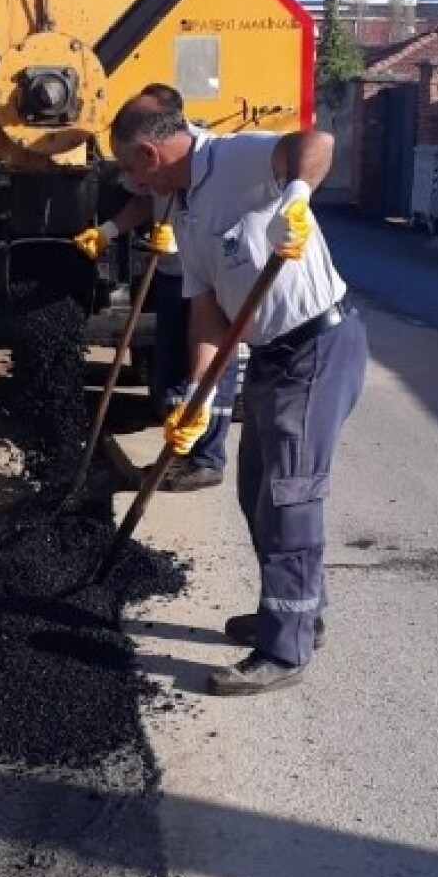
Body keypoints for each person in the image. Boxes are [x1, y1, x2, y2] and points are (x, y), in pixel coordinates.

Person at [109, 86, 367, 697]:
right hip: (274, 356)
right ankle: (303, 612)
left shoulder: (236, 159)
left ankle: (285, 649)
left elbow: (316, 142)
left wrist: (298, 195)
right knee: (258, 492)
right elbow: (206, 315)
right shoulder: (184, 210)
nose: (129, 184)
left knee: (288, 497)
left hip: (316, 345)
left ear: (149, 154)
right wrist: (195, 399)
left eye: (126, 169)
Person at [74, 91, 237, 493]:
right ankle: (176, 454)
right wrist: (108, 232)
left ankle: (206, 459)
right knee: (168, 370)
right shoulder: (153, 164)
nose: (135, 173)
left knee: (206, 366)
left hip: (204, 277)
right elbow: (145, 200)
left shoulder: (206, 160)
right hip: (170, 275)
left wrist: (180, 237)